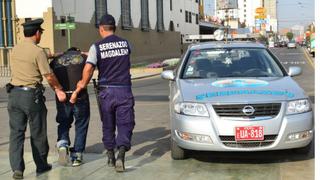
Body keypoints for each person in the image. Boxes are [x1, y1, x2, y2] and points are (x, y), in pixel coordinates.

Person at [69, 14, 135, 172]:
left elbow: (89, 68)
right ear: (114, 28)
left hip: (106, 91)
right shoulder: (126, 44)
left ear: (101, 29)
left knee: (108, 124)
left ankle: (110, 155)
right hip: (124, 89)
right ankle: (121, 155)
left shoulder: (96, 47)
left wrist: (81, 84)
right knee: (125, 123)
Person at [7, 18, 66, 179]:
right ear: (37, 33)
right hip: (31, 97)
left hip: (14, 95)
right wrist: (59, 89)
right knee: (37, 132)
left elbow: (33, 57)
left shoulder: (15, 49)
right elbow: (49, 75)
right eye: (41, 32)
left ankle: (17, 169)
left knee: (16, 133)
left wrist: (54, 54)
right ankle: (41, 165)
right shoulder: (38, 52)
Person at [49, 47, 90, 167]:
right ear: (77, 51)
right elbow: (92, 60)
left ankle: (62, 144)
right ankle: (77, 155)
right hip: (79, 94)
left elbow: (51, 77)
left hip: (62, 95)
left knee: (63, 122)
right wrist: (82, 52)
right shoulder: (83, 58)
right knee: (81, 123)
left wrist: (57, 90)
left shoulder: (55, 61)